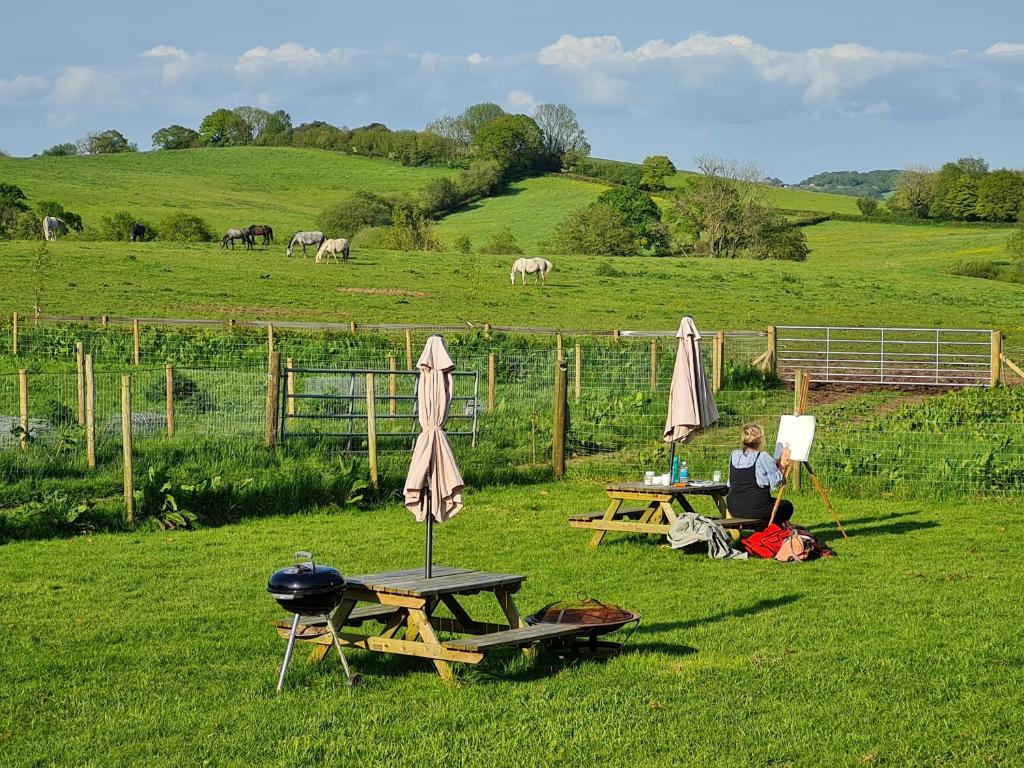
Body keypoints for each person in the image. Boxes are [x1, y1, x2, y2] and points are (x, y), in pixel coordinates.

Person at [726, 423, 793, 525]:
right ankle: (771, 534)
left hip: (734, 508)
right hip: (757, 508)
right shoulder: (762, 456)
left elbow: (729, 484)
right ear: (760, 439)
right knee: (786, 506)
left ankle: (765, 532)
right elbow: (776, 483)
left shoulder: (734, 455)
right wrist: (783, 462)